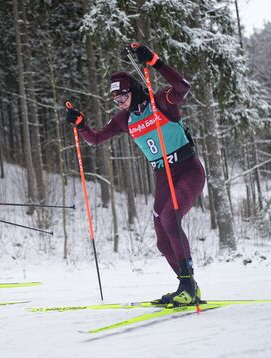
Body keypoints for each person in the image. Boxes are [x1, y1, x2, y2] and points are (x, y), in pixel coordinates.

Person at [65, 43, 206, 306]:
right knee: (163, 240)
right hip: (163, 176)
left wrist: (155, 62)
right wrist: (81, 125)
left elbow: (183, 88)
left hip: (188, 169)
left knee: (170, 218)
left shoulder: (161, 101)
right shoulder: (123, 119)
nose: (119, 103)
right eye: (115, 100)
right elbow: (95, 139)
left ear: (134, 90)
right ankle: (188, 287)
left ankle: (188, 285)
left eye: (123, 97)